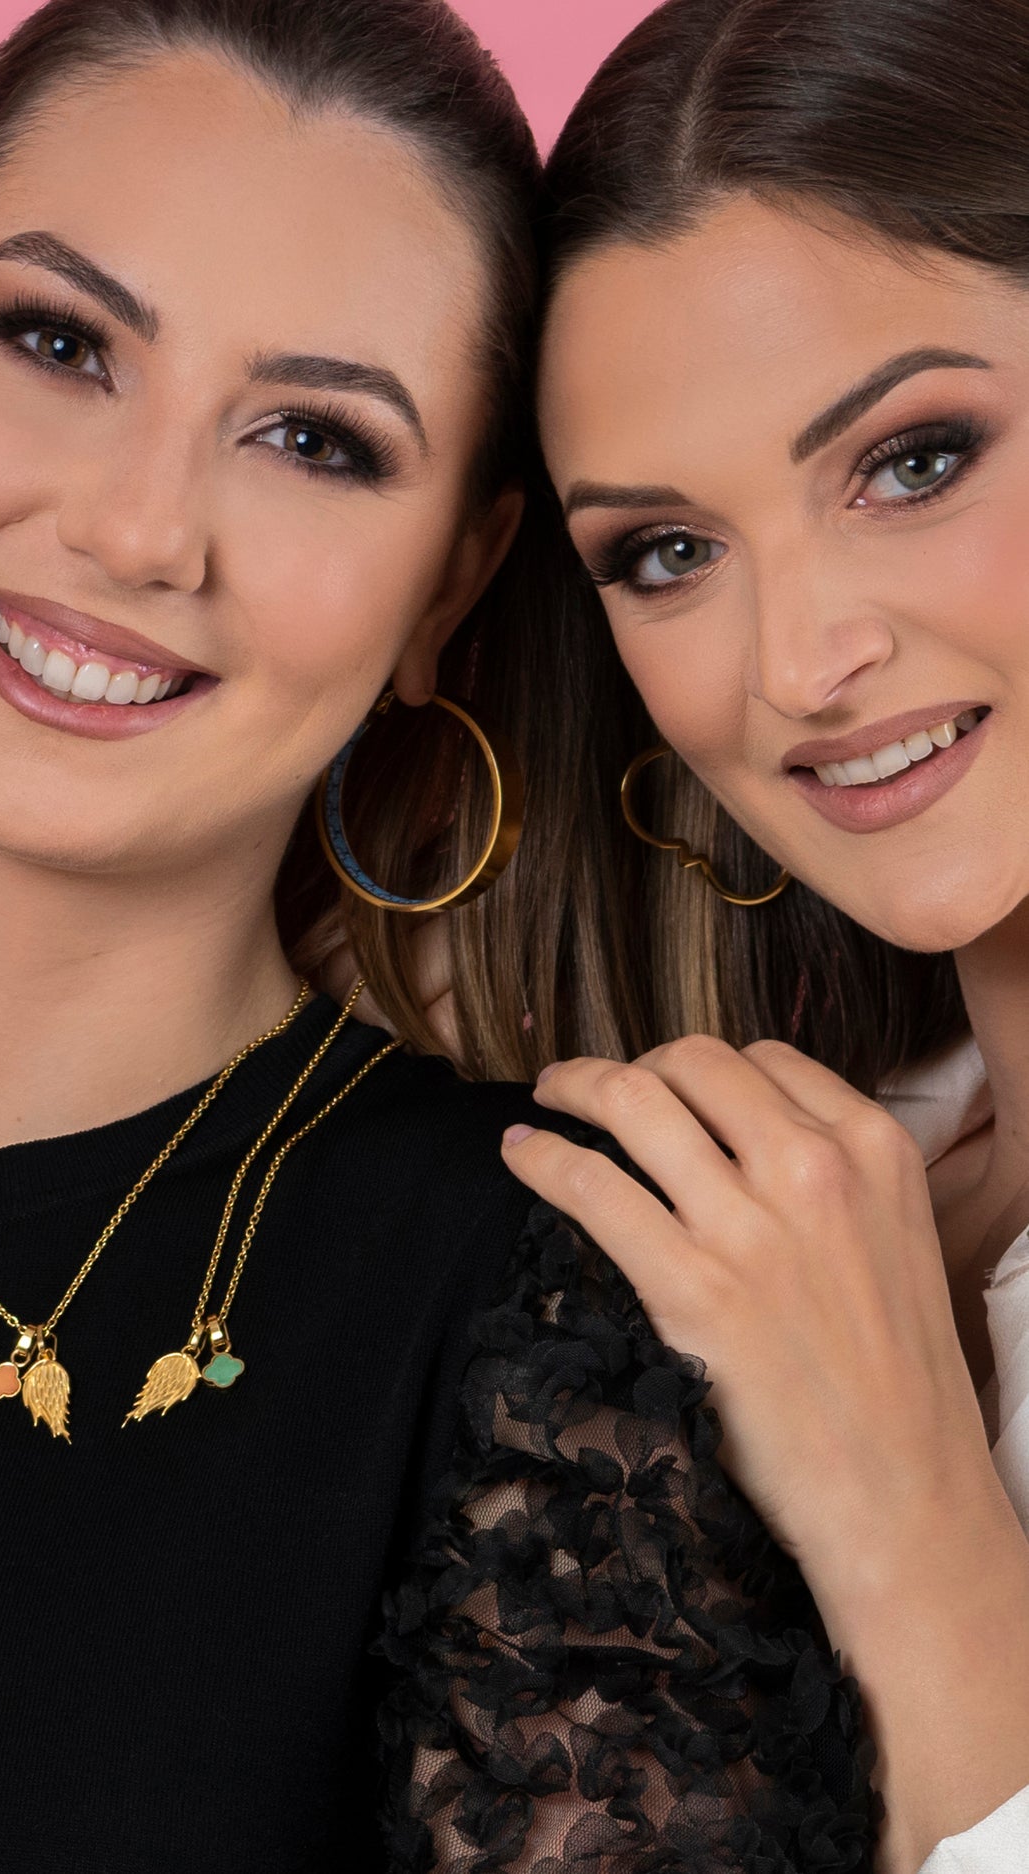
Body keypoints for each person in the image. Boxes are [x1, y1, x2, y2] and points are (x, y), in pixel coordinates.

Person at [0, 2, 876, 1870]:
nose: (143, 530)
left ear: (454, 581)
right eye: (60, 342)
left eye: (314, 439)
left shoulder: (557, 1308)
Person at [486, 0, 1029, 1869]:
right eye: (668, 553)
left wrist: (917, 1537)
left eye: (913, 459)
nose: (798, 664)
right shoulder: (805, 1185)